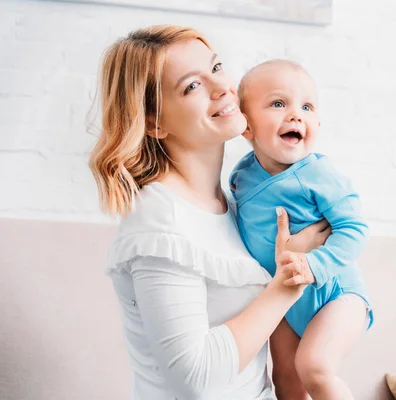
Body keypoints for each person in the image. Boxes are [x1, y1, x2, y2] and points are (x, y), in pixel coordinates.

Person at [88, 25, 331, 400]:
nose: (222, 88)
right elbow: (196, 378)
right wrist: (286, 282)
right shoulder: (162, 221)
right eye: (191, 86)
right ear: (154, 122)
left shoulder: (233, 203)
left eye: (216, 68)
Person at [229, 60, 373, 399]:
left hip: (337, 294)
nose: (296, 115)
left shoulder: (319, 174)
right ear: (246, 126)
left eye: (306, 106)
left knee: (315, 367)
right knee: (286, 380)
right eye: (279, 104)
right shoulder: (241, 177)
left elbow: (355, 229)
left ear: (317, 123)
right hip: (283, 296)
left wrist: (314, 265)